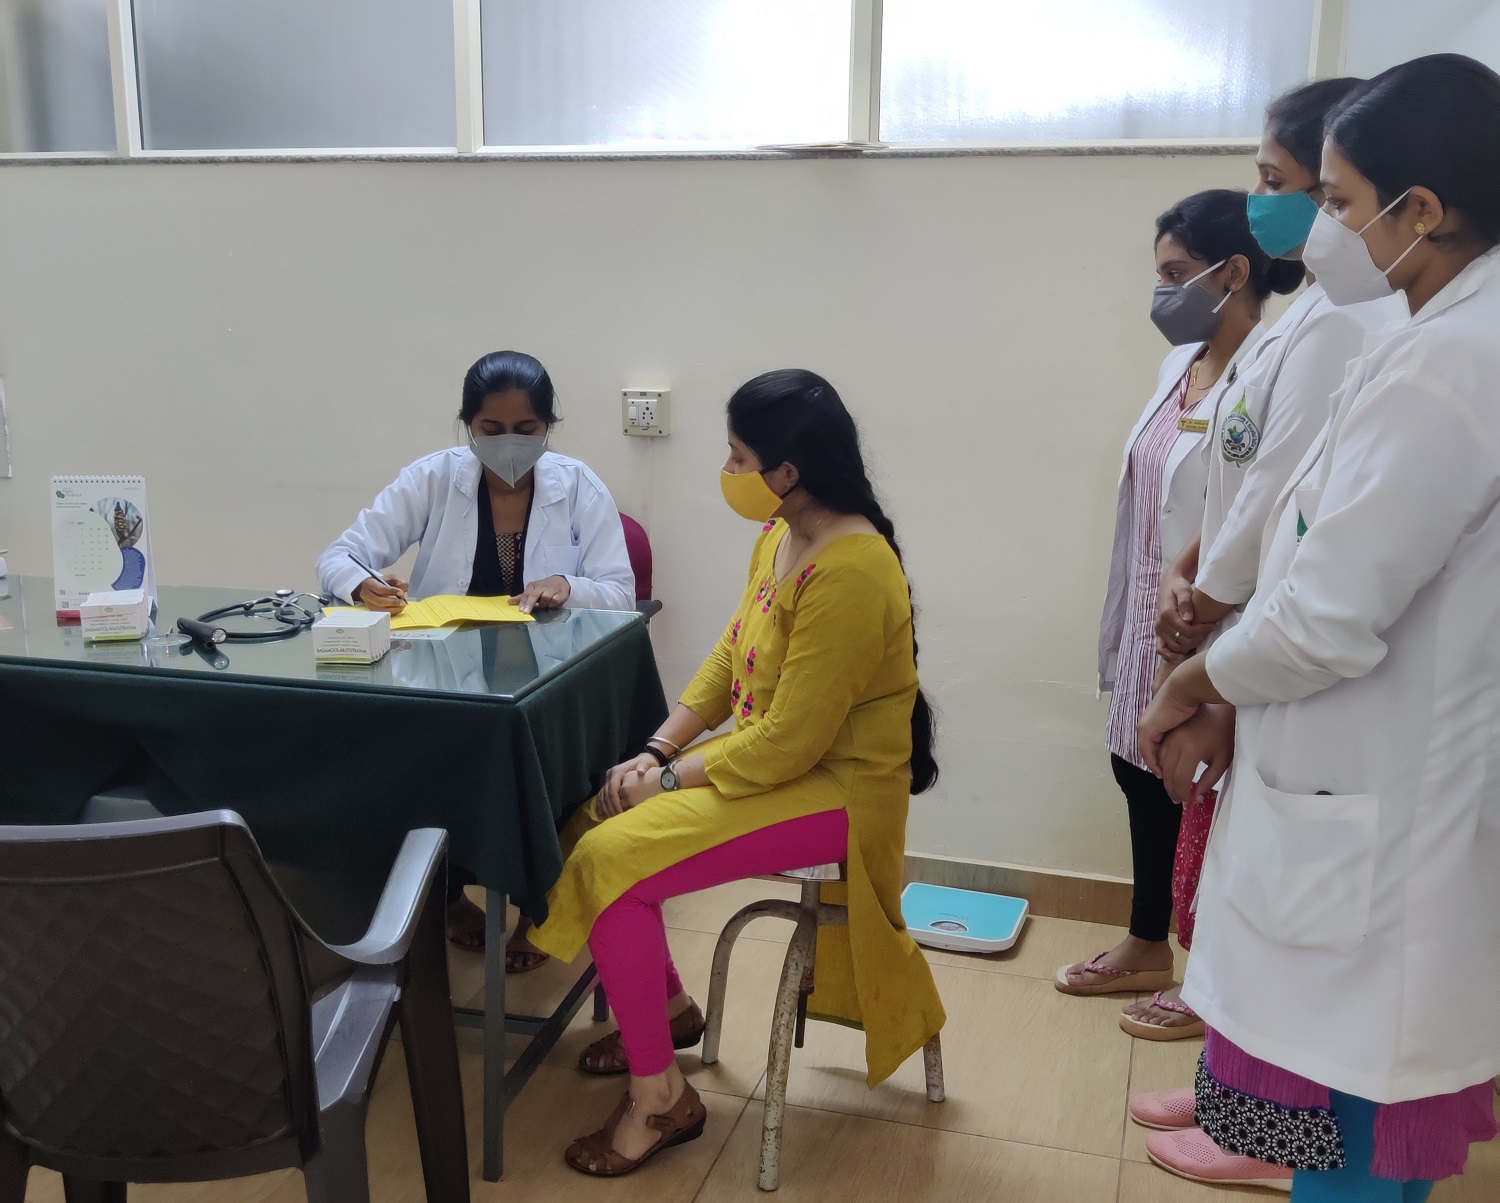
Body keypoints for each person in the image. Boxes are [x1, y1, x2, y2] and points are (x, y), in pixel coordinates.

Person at [1140, 54, 1500, 1201]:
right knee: (1353, 1136)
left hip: (1376, 812)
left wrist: (1194, 679)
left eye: (1338, 200)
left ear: (1421, 210)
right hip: (1358, 779)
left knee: (1351, 1145)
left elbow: (1325, 620)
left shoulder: (1448, 366)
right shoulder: (1433, 336)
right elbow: (1303, 524)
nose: (1321, 225)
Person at [525, 368, 946, 1177]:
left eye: (738, 457)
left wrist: (668, 779)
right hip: (776, 762)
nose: (728, 471)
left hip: (838, 791)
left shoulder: (853, 570)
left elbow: (789, 743)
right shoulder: (782, 533)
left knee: (611, 856)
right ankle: (669, 1012)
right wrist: (656, 750)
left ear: (788, 470)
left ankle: (661, 1100)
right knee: (595, 816)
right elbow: (731, 655)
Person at [1118, 78, 1401, 1054]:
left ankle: (1252, 1095)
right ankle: (1237, 1087)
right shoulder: (1310, 318)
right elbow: (1258, 478)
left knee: (1279, 899)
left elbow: (1287, 492)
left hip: (1271, 641)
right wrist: (1199, 567)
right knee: (1242, 874)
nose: (1265, 201)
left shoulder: (1357, 326)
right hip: (1236, 624)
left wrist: (1201, 618)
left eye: (1283, 183)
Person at [1058, 190, 1300, 1000]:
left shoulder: (1269, 371)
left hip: (1214, 615)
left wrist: (1204, 609)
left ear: (1233, 273)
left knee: (1203, 790)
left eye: (1176, 273)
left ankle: (1209, 979)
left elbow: (1257, 512)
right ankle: (1146, 940)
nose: (1162, 292)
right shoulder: (1180, 366)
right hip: (1147, 608)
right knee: (1138, 767)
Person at [317, 349, 634, 956]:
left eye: (526, 429)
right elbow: (339, 556)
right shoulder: (433, 479)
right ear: (468, 425)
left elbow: (621, 591)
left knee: (548, 775)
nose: (509, 443)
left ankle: (542, 911)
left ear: (549, 426)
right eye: (492, 429)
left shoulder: (578, 486)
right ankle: (444, 896)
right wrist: (362, 585)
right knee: (424, 770)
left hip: (548, 680)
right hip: (448, 676)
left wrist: (569, 586)